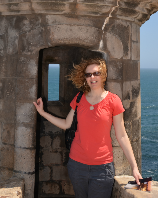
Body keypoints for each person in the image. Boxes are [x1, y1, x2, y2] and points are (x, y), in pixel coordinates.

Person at [33, 58, 142, 198]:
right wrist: (42, 112)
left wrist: (134, 168)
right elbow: (66, 124)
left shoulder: (113, 101)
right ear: (84, 78)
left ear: (103, 75)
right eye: (88, 74)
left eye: (96, 73)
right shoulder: (79, 98)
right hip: (76, 165)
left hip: (102, 168)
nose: (92, 77)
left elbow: (121, 135)